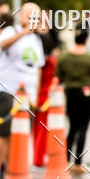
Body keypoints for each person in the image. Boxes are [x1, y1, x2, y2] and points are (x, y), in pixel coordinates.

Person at [0, 2, 45, 179]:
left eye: (36, 17)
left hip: (26, 96)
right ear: (21, 16)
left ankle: (9, 176)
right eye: (29, 15)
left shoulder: (36, 40)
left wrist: (36, 95)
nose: (33, 20)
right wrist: (23, 33)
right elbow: (2, 44)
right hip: (5, 89)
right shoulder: (10, 31)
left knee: (19, 137)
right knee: (4, 137)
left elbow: (38, 68)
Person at [56, 27, 90, 174]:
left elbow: (59, 75)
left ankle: (65, 159)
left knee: (72, 127)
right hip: (86, 94)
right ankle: (77, 163)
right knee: (83, 128)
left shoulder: (64, 57)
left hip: (70, 93)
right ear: (86, 40)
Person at [32, 11, 61, 168]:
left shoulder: (49, 45)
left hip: (45, 90)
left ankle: (40, 156)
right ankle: (38, 157)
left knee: (42, 126)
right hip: (41, 90)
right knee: (40, 126)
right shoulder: (37, 42)